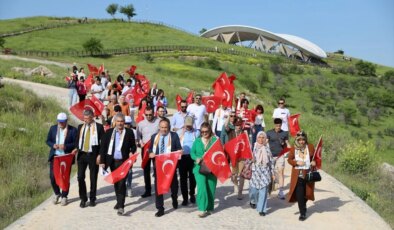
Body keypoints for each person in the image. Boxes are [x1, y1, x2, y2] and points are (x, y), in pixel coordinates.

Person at [99, 113, 137, 216]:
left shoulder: (129, 132)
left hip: (124, 162)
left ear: (124, 122)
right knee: (116, 183)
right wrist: (102, 161)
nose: (120, 123)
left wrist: (131, 152)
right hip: (112, 162)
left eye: (122, 121)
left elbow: (133, 146)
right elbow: (103, 147)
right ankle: (119, 201)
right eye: (118, 121)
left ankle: (121, 206)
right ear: (115, 122)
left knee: (122, 183)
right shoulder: (109, 132)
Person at [148, 118, 183, 217]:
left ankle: (174, 197)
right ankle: (160, 208)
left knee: (174, 186)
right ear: (159, 127)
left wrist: (180, 151)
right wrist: (150, 153)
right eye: (162, 127)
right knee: (158, 188)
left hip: (170, 167)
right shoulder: (154, 137)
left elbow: (178, 148)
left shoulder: (174, 136)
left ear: (169, 127)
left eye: (166, 127)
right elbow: (150, 149)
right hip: (158, 167)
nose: (164, 129)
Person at [45, 113, 77, 206]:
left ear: (66, 121)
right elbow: (48, 140)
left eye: (63, 122)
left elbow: (76, 143)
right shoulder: (53, 128)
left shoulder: (73, 130)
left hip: (66, 157)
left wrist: (65, 146)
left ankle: (64, 196)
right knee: (52, 177)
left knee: (65, 177)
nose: (61, 124)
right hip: (55, 157)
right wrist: (53, 145)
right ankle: (57, 193)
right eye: (59, 122)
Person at [75, 109, 105, 208]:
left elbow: (103, 144)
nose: (85, 120)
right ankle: (83, 198)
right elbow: (77, 140)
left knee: (93, 177)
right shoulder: (80, 127)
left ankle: (92, 198)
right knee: (80, 177)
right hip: (82, 155)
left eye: (87, 118)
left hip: (93, 155)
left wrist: (100, 155)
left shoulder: (99, 127)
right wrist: (76, 149)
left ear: (92, 117)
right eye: (84, 118)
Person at [190, 122, 218, 218]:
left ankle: (209, 208)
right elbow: (192, 153)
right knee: (202, 188)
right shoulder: (197, 141)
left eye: (206, 131)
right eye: (202, 132)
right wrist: (196, 158)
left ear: (210, 131)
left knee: (211, 188)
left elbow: (219, 153)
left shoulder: (215, 140)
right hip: (199, 168)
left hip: (212, 168)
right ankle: (202, 209)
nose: (204, 133)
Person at [287, 131, 316, 221]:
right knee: (299, 195)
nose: (301, 142)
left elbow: (315, 158)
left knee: (307, 194)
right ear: (297, 140)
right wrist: (296, 162)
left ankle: (303, 205)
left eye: (303, 140)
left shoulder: (310, 147)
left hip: (308, 174)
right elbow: (289, 159)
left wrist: (314, 162)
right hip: (298, 175)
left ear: (305, 139)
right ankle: (302, 213)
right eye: (299, 140)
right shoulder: (293, 148)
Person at [248, 131, 275, 216]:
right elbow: (247, 159)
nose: (261, 139)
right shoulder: (253, 147)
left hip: (265, 172)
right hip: (255, 173)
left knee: (263, 191)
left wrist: (273, 173)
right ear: (257, 138)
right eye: (259, 137)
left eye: (263, 137)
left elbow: (271, 162)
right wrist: (250, 160)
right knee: (254, 191)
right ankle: (253, 201)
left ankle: (262, 209)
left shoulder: (267, 149)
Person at [136, 107, 160, 198]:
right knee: (146, 170)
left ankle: (158, 189)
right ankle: (148, 190)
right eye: (147, 115)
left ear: (154, 113)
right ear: (144, 114)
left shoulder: (158, 122)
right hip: (145, 149)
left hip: (156, 149)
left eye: (150, 114)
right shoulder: (141, 124)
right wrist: (140, 142)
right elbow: (138, 136)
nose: (149, 116)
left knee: (156, 169)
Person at [177, 116, 199, 206]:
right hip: (182, 158)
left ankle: (192, 194)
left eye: (190, 125)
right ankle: (185, 198)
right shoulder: (179, 132)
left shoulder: (197, 132)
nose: (188, 127)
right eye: (187, 125)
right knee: (183, 179)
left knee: (193, 178)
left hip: (193, 157)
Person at [266, 118, 290, 200]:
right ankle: (268, 190)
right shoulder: (269, 132)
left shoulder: (285, 133)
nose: (278, 127)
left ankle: (281, 191)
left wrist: (289, 147)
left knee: (280, 172)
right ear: (274, 125)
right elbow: (266, 142)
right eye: (277, 126)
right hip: (271, 155)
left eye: (279, 125)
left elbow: (287, 143)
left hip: (280, 155)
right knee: (269, 173)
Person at [125, 116, 136, 197]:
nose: (126, 125)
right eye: (125, 123)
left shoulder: (132, 132)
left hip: (129, 155)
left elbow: (134, 145)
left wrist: (132, 153)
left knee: (129, 171)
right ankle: (122, 188)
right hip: (120, 156)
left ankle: (129, 187)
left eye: (128, 124)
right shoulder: (117, 131)